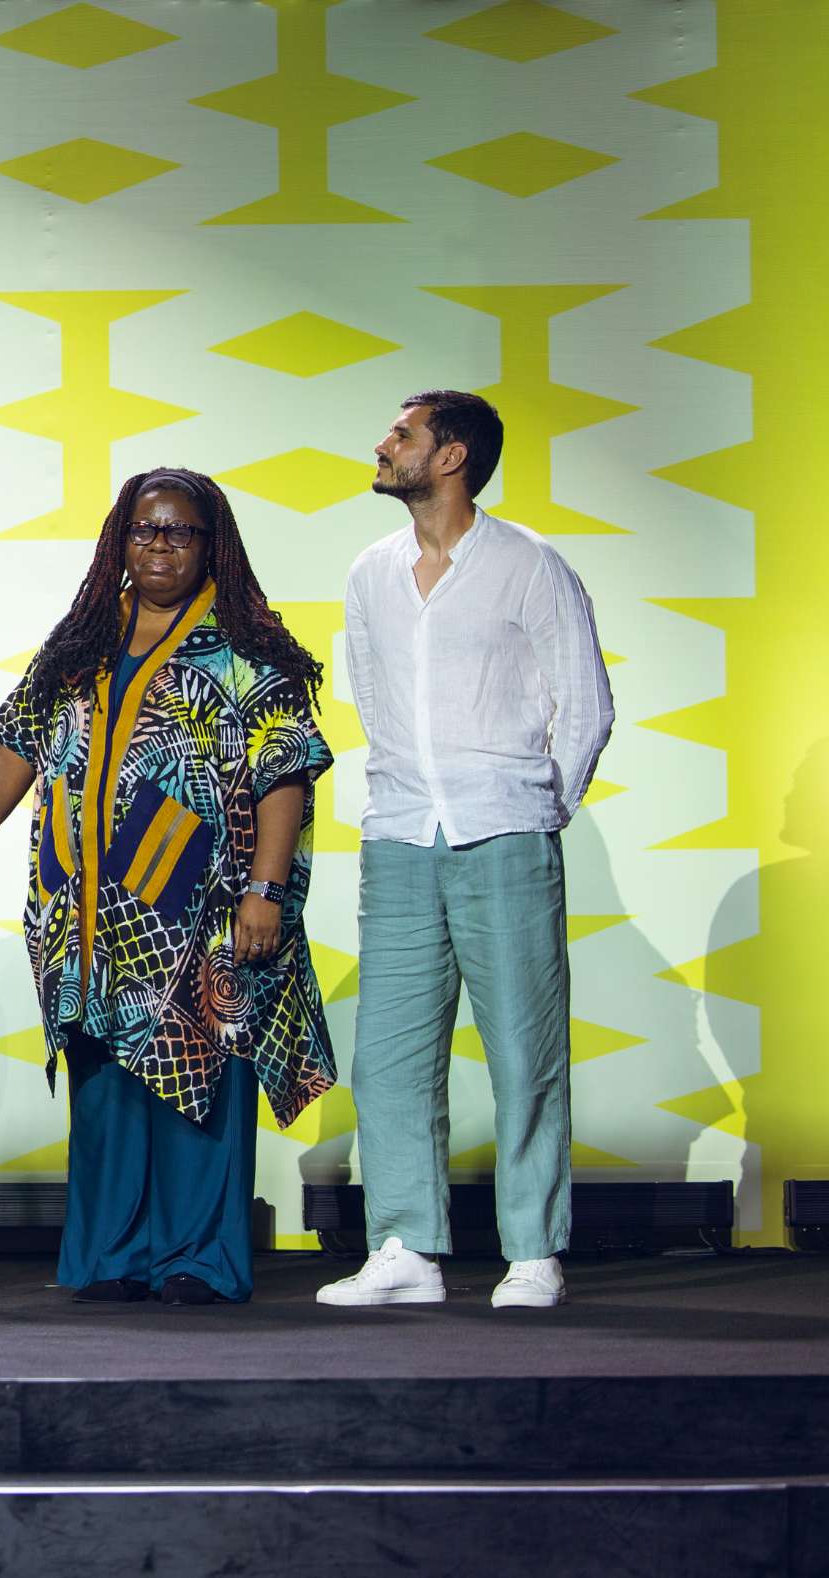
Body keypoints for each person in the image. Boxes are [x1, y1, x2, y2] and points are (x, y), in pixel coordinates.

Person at [0, 469, 336, 1306]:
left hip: (200, 910)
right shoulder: (83, 638)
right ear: (119, 542)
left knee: (200, 1074)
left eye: (179, 531)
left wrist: (266, 890)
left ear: (210, 545)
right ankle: (111, 1256)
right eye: (143, 530)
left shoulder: (245, 649)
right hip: (87, 913)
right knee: (107, 1086)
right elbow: (21, 732)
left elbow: (285, 772)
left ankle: (197, 1259)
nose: (159, 545)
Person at [317, 391, 614, 1310]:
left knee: (526, 1048)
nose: (383, 443)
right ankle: (406, 1247)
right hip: (400, 834)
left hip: (505, 831)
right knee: (390, 1057)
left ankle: (534, 1251)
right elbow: (374, 699)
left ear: (451, 456)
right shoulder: (371, 570)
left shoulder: (530, 564)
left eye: (401, 433)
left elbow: (585, 703)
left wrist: (538, 807)